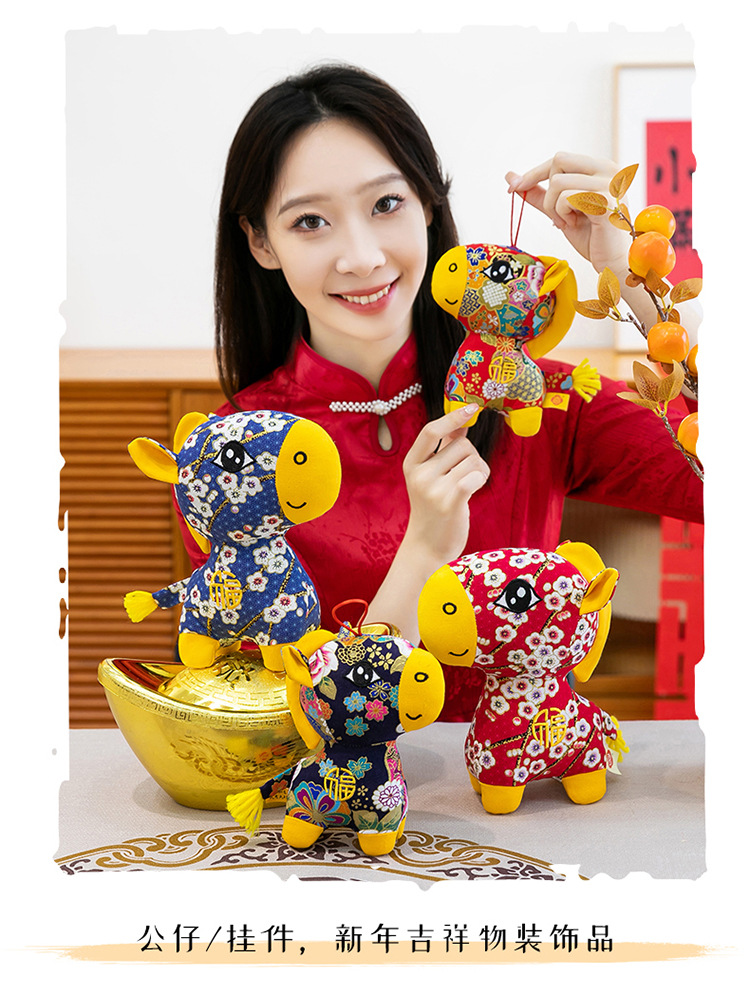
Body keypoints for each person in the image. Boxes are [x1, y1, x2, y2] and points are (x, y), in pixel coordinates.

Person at [178, 63, 702, 720]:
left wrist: (634, 280)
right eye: (310, 221)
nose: (362, 256)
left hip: (523, 775)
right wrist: (424, 550)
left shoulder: (535, 398)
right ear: (260, 241)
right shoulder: (229, 458)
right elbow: (273, 730)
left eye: (385, 204)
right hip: (351, 784)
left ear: (428, 205)